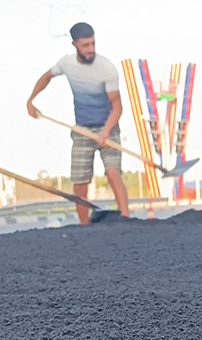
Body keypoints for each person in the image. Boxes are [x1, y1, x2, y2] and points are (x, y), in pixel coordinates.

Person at [26, 23, 130, 224]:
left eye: (93, 44)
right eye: (85, 45)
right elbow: (47, 77)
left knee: (112, 172)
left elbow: (117, 106)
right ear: (74, 44)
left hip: (108, 126)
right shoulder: (66, 64)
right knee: (80, 182)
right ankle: (84, 226)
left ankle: (126, 218)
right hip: (82, 129)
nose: (91, 49)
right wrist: (31, 100)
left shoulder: (106, 68)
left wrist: (105, 132)